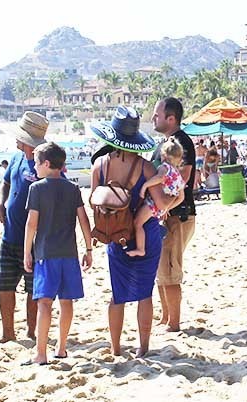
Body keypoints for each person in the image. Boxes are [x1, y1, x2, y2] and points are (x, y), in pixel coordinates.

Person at [90, 105, 175, 356]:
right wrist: (176, 196)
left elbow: (93, 202)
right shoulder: (146, 168)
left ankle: (115, 348)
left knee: (117, 295)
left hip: (116, 236)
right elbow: (160, 204)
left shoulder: (99, 166)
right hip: (146, 235)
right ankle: (143, 348)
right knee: (144, 294)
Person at [22, 142, 93, 365]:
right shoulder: (72, 188)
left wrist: (27, 252)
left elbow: (31, 224)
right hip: (69, 254)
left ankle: (41, 353)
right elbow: (83, 220)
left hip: (46, 254)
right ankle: (61, 348)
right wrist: (89, 248)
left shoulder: (37, 188)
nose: (34, 167)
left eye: (36, 163)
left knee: (44, 303)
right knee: (66, 301)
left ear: (46, 163)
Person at [0, 111, 49, 343]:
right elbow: (6, 182)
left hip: (35, 241)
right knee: (4, 285)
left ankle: (31, 331)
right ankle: (8, 333)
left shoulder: (43, 164)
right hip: (9, 236)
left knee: (32, 288)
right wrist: (1, 203)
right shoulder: (16, 158)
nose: (16, 139)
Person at [151, 97, 196, 333]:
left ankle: (174, 322)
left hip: (177, 214)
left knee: (170, 269)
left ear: (171, 118)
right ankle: (166, 316)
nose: (153, 118)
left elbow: (184, 178)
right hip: (167, 213)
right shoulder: (165, 143)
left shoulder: (181, 142)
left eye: (157, 115)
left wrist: (166, 204)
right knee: (162, 267)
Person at [130, 139, 185, 257]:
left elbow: (160, 178)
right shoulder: (178, 174)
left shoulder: (164, 167)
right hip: (162, 208)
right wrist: (167, 208)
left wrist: (145, 186)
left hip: (153, 203)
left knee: (137, 223)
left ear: (163, 155)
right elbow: (181, 198)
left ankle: (140, 248)